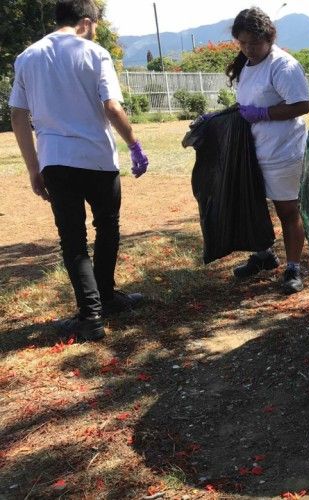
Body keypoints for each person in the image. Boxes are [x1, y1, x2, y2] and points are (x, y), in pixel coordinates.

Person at [9, 0, 148, 341]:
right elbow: (111, 106)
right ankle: (107, 296)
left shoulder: (27, 57)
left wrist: (33, 168)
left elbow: (17, 115)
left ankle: (92, 314)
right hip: (98, 158)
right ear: (86, 22)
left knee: (73, 240)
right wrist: (133, 144)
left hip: (56, 159)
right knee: (107, 227)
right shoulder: (94, 53)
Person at [225, 7, 309, 294]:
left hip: (283, 151)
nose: (249, 49)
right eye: (243, 43)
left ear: (269, 37)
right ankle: (264, 256)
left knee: (287, 210)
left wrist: (263, 113)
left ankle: (294, 268)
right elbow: (246, 104)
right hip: (254, 151)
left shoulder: (282, 65)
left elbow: (302, 104)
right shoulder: (246, 64)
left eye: (255, 43)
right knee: (255, 206)